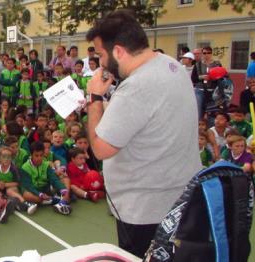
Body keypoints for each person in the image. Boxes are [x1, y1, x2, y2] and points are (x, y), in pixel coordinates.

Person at [84, 10, 201, 257]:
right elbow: (148, 119)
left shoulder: (136, 88)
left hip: (144, 210)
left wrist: (94, 99)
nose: (101, 63)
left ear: (118, 51)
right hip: (179, 200)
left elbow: (101, 148)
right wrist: (109, 106)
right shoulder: (171, 66)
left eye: (101, 55)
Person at [19, 142, 71, 215]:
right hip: (35, 191)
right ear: (31, 155)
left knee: (66, 180)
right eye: (36, 156)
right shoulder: (25, 167)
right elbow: (29, 186)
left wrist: (62, 188)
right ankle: (55, 200)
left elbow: (54, 179)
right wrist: (40, 194)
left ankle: (63, 202)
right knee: (26, 195)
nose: (39, 158)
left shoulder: (46, 165)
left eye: (41, 155)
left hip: (46, 189)